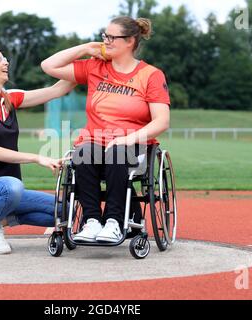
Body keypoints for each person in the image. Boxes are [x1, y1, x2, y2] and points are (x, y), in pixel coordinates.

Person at [41, 16, 171, 243]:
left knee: (116, 152)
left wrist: (128, 139)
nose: (106, 41)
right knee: (82, 152)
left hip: (133, 144)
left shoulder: (150, 75)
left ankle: (113, 221)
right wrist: (85, 48)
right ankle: (91, 221)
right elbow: (48, 66)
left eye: (112, 37)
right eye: (105, 36)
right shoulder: (95, 67)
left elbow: (161, 121)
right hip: (94, 141)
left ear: (130, 41)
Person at [0, 45, 75, 254]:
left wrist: (90, 62)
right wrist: (37, 158)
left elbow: (58, 90)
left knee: (66, 210)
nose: (6, 62)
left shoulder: (9, 98)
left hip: (12, 191)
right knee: (12, 186)